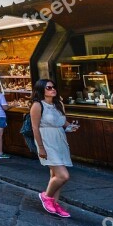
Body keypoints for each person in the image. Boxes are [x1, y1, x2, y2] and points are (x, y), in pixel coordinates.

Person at [31, 79, 78, 217]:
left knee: (55, 175)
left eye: (53, 87)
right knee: (63, 176)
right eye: (49, 87)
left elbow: (63, 122)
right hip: (46, 141)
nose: (53, 89)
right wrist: (41, 148)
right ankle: (46, 196)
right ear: (41, 90)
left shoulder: (59, 104)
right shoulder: (37, 105)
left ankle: (54, 203)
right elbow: (35, 127)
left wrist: (70, 127)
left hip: (60, 139)